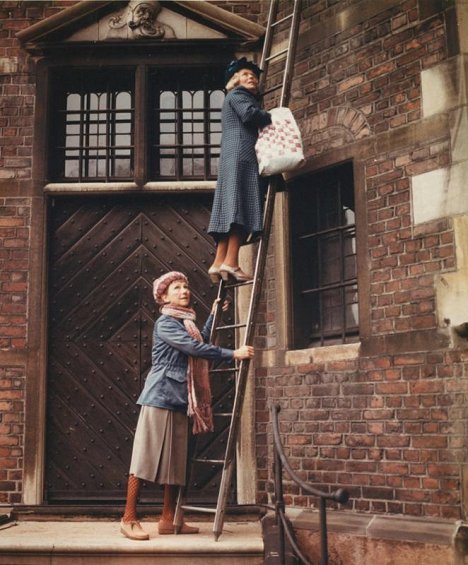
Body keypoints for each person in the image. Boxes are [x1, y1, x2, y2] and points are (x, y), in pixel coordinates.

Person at [120, 271, 254, 540]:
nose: (184, 291)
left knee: (175, 463)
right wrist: (233, 354)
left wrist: (215, 314)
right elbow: (194, 349)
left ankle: (168, 519)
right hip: (159, 397)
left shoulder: (187, 323)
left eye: (186, 287)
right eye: (177, 288)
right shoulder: (166, 323)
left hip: (182, 399)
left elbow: (200, 341)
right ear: (164, 296)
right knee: (145, 459)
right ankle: (128, 518)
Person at [207, 57, 272, 282]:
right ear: (235, 80)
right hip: (242, 154)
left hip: (230, 156)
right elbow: (250, 115)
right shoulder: (240, 95)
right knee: (241, 206)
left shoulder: (230, 98)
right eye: (246, 75)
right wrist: (272, 117)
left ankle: (218, 262)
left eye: (254, 76)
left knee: (230, 207)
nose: (251, 78)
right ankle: (232, 262)